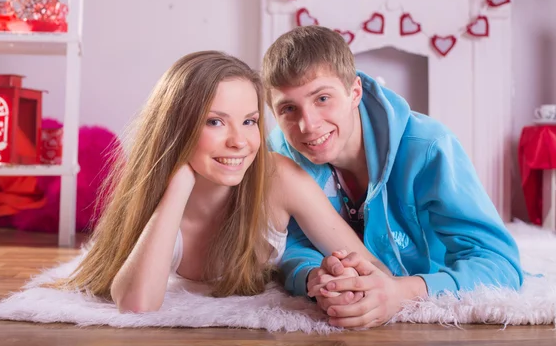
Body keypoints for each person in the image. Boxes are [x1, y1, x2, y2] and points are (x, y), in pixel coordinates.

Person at [53, 50, 387, 313]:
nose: (239, 141)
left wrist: (342, 277)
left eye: (248, 121)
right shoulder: (155, 191)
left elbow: (368, 264)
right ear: (177, 127)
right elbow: (137, 304)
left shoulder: (278, 178)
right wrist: (179, 184)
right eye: (215, 122)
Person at [262, 25, 524, 328]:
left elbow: (500, 264)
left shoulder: (430, 148)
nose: (307, 125)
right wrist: (315, 276)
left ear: (354, 92)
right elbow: (290, 243)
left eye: (322, 99)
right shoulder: (280, 156)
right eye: (289, 109)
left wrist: (405, 291)